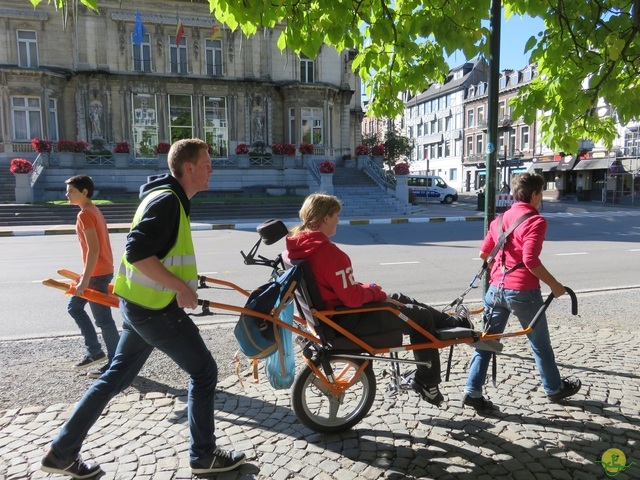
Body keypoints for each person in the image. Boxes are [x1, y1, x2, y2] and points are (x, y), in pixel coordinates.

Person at [41, 139, 246, 478]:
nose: (213, 168)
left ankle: (61, 451)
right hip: (155, 309)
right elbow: (137, 252)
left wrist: (188, 279)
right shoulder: (167, 200)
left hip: (138, 305)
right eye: (208, 162)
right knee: (205, 371)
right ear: (189, 168)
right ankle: (204, 454)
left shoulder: (167, 196)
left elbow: (159, 250)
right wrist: (180, 287)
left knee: (114, 378)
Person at [285, 193, 471, 407]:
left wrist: (375, 292)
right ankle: (427, 382)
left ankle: (455, 323)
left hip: (328, 315)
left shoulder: (298, 246)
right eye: (336, 215)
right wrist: (378, 294)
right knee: (420, 317)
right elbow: (353, 298)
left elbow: (341, 288)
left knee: (399, 298)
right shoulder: (328, 252)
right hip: (345, 319)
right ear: (325, 218)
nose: (338, 220)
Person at [462, 172, 581, 412]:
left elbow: (483, 254)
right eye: (540, 193)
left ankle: (472, 391)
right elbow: (530, 260)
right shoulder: (536, 221)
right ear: (536, 193)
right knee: (540, 343)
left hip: (496, 289)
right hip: (523, 292)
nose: (540, 198)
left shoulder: (500, 219)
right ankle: (554, 388)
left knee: (486, 342)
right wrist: (555, 285)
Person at [64, 174, 120, 379]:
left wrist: (85, 279)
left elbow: (93, 250)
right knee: (75, 308)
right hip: (99, 271)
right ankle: (95, 351)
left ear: (84, 192)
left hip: (97, 274)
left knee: (103, 320)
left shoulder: (85, 214)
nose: (67, 194)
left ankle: (115, 363)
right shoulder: (92, 210)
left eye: (71, 191)